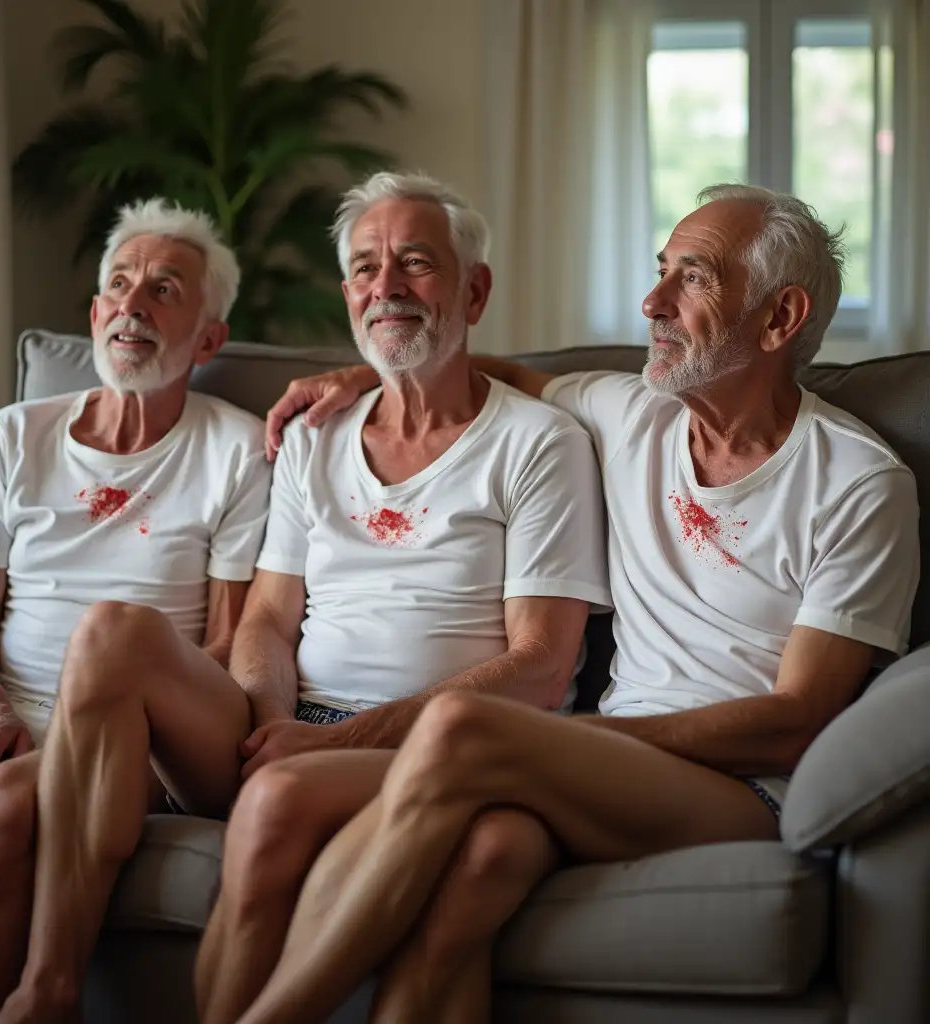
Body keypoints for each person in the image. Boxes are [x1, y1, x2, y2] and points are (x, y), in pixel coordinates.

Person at [238, 183, 922, 1024]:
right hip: (602, 766)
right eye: (659, 271)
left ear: (780, 320)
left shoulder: (859, 483)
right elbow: (485, 371)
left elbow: (799, 717)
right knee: (482, 862)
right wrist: (361, 369)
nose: (652, 302)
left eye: (693, 279)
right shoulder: (633, 412)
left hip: (747, 788)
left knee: (461, 725)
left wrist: (585, 740)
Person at [191, 171, 610, 1024]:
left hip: (455, 741)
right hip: (307, 722)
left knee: (274, 805)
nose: (385, 286)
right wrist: (268, 721)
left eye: (415, 263)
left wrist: (332, 743)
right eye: (364, 267)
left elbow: (540, 666)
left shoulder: (538, 443)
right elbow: (269, 619)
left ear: (475, 289)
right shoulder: (314, 437)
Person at [0, 197, 273, 1024]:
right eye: (118, 285)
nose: (132, 305)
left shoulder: (235, 450)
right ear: (93, 313)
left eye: (163, 290)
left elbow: (226, 639)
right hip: (4, 702)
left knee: (7, 806)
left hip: (128, 728)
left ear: (209, 339)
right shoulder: (19, 433)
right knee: (1, 786)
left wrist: (103, 729)